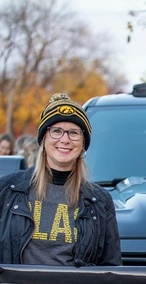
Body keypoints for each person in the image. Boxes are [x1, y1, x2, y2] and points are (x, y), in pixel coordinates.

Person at [0, 93, 121, 266]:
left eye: (74, 133)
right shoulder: (7, 191)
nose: (65, 140)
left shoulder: (99, 202)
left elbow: (111, 271)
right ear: (43, 139)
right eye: (56, 131)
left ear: (82, 145)